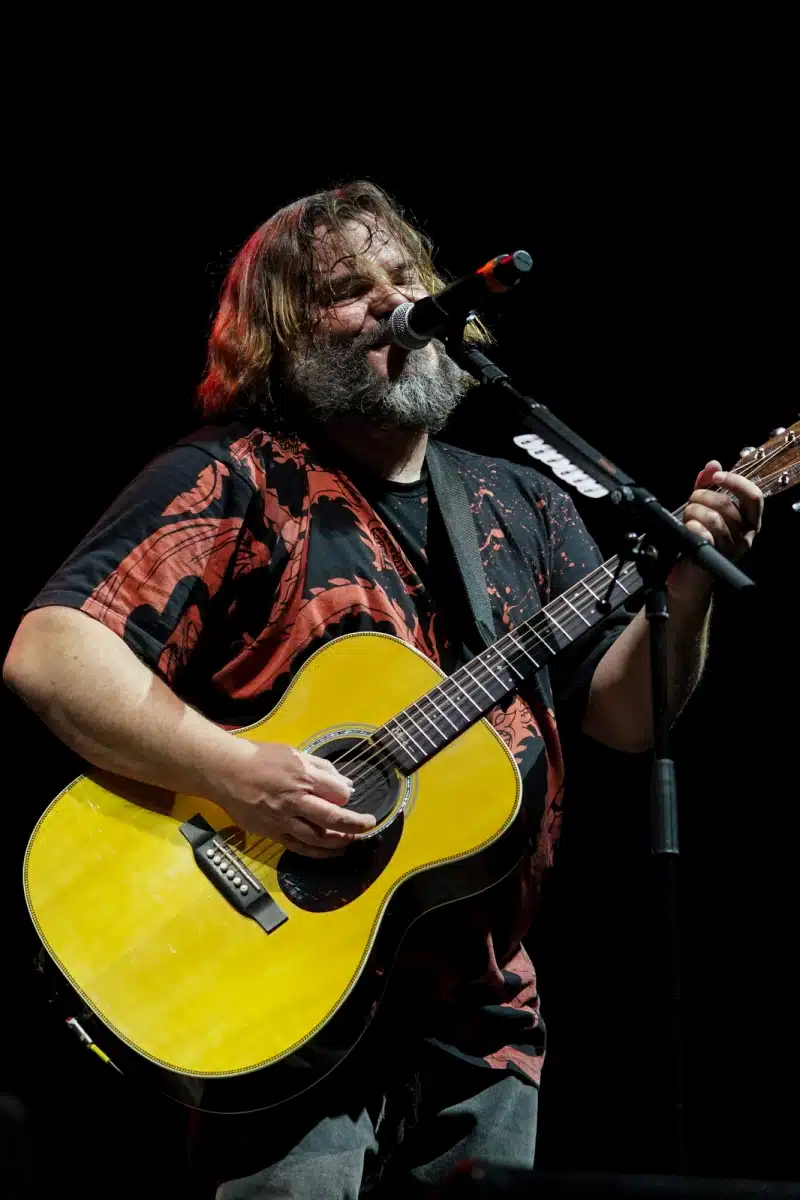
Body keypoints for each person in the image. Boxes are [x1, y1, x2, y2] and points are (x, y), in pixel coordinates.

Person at [3, 181, 763, 1199]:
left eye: (404, 277)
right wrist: (237, 773)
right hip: (276, 993)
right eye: (346, 290)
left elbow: (624, 718)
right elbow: (52, 652)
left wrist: (687, 582)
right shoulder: (238, 477)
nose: (394, 303)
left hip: (482, 1023)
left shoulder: (519, 501)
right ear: (282, 335)